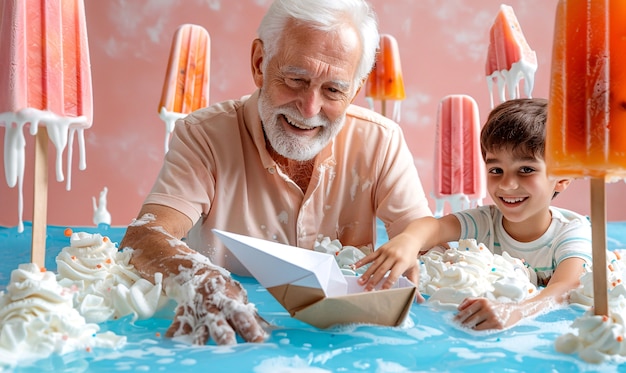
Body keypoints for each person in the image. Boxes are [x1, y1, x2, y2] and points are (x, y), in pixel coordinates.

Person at [120, 0, 432, 346]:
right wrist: (202, 279)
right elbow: (144, 236)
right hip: (228, 342)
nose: (310, 108)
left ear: (355, 90)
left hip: (345, 348)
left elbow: (431, 248)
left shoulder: (381, 142)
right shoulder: (203, 135)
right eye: (296, 79)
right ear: (259, 64)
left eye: (333, 90)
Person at [356, 98, 592, 331]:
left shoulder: (572, 230)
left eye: (526, 170)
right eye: (496, 170)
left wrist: (517, 311)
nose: (507, 184)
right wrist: (408, 241)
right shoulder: (485, 222)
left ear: (562, 177)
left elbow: (567, 286)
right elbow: (435, 228)